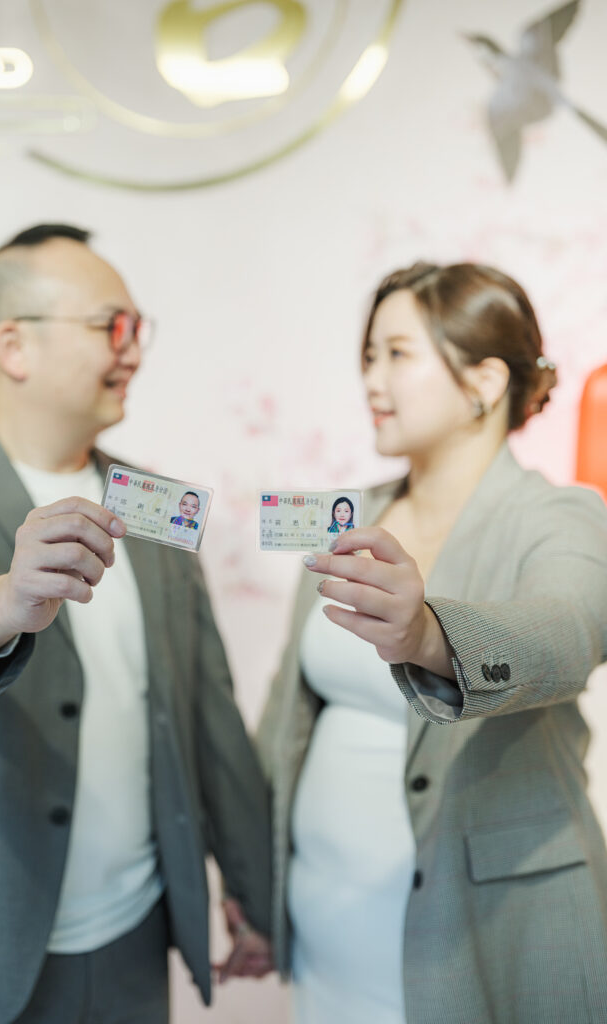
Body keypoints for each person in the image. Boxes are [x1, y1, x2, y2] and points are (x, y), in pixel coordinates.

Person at [0, 224, 271, 1024]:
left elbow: (208, 713)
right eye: (112, 325)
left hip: (134, 940)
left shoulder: (159, 505)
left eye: (137, 328)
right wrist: (3, 603)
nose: (132, 351)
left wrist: (254, 890)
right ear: (15, 347)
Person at [256, 262, 607, 1023]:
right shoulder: (346, 517)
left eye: (397, 354)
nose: (371, 380)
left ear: (484, 381)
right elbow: (288, 709)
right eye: (368, 356)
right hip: (324, 937)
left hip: (480, 938)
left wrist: (429, 635)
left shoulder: (562, 517)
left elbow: (569, 631)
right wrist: (254, 881)